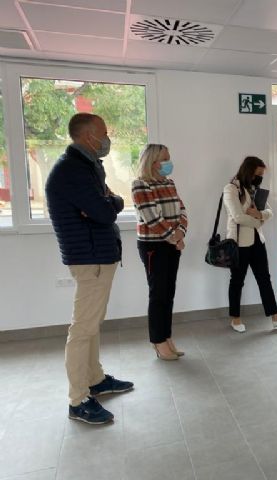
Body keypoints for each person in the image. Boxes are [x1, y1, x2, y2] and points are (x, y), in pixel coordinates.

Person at [45, 113, 133, 425]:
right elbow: (105, 212)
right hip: (90, 258)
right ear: (88, 136)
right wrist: (106, 204)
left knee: (92, 323)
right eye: (104, 133)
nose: (108, 138)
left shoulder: (88, 166)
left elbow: (111, 203)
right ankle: (78, 400)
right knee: (82, 329)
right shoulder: (72, 170)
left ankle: (95, 379)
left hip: (97, 255)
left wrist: (109, 202)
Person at [223, 156, 277, 333]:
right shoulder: (231, 189)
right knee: (237, 281)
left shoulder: (254, 189)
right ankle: (235, 318)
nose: (260, 178)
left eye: (262, 175)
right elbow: (237, 217)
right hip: (239, 243)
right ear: (248, 171)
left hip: (258, 241)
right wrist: (258, 221)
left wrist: (259, 215)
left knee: (264, 278)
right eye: (258, 174)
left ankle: (275, 316)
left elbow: (270, 211)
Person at [132, 144, 188, 360]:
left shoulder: (169, 182)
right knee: (158, 294)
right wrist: (174, 237)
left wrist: (180, 235)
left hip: (173, 244)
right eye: (165, 158)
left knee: (168, 293)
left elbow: (182, 210)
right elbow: (152, 218)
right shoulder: (141, 185)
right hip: (153, 246)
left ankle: (167, 337)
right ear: (153, 162)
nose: (168, 162)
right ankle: (158, 341)